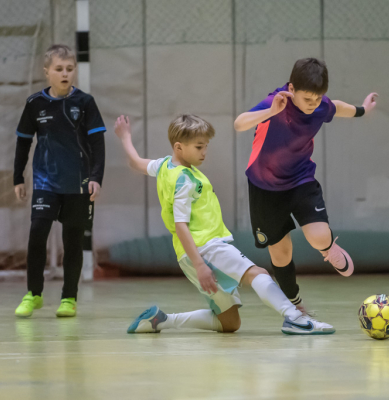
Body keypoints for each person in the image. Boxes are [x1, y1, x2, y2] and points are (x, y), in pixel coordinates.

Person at [114, 114, 334, 335]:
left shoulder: (163, 166)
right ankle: (295, 318)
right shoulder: (184, 180)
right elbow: (181, 225)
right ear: (179, 147)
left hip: (187, 255)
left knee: (229, 323)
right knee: (256, 273)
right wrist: (200, 265)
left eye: (206, 146)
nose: (204, 152)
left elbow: (135, 162)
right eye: (199, 147)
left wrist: (125, 137)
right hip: (206, 247)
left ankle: (160, 321)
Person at [234, 57, 378, 315]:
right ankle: (294, 303)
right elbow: (239, 123)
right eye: (307, 98)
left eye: (317, 98)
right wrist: (271, 112)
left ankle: (329, 248)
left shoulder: (321, 106)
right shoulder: (275, 102)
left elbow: (338, 107)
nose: (313, 104)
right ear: (291, 89)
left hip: (300, 179)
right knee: (281, 252)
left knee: (319, 236)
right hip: (264, 187)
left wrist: (362, 110)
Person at [13, 44, 106, 318]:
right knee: (37, 233)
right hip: (45, 182)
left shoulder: (85, 103)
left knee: (72, 242)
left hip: (78, 183)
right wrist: (18, 177)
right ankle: (34, 294)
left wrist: (96, 178)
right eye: (59, 69)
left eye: (69, 68)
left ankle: (69, 298)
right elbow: (23, 142)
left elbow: (98, 144)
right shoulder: (35, 103)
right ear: (47, 72)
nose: (65, 73)